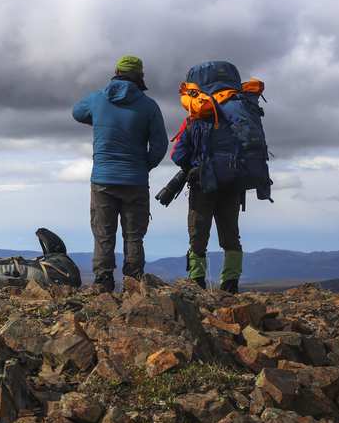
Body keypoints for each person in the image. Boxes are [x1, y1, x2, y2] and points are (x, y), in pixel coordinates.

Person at [170, 61, 270, 293]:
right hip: (233, 183)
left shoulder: (197, 115)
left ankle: (197, 282)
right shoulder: (242, 112)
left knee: (198, 234)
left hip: (202, 182)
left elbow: (178, 155)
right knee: (230, 234)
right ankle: (231, 284)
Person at [73, 56, 168, 292]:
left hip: (103, 179)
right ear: (140, 75)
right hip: (135, 180)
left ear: (116, 72)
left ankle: (103, 280)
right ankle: (133, 281)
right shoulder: (148, 105)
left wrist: (98, 118)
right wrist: (143, 166)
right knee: (134, 235)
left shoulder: (98, 99)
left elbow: (77, 112)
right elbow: (160, 145)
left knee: (103, 233)